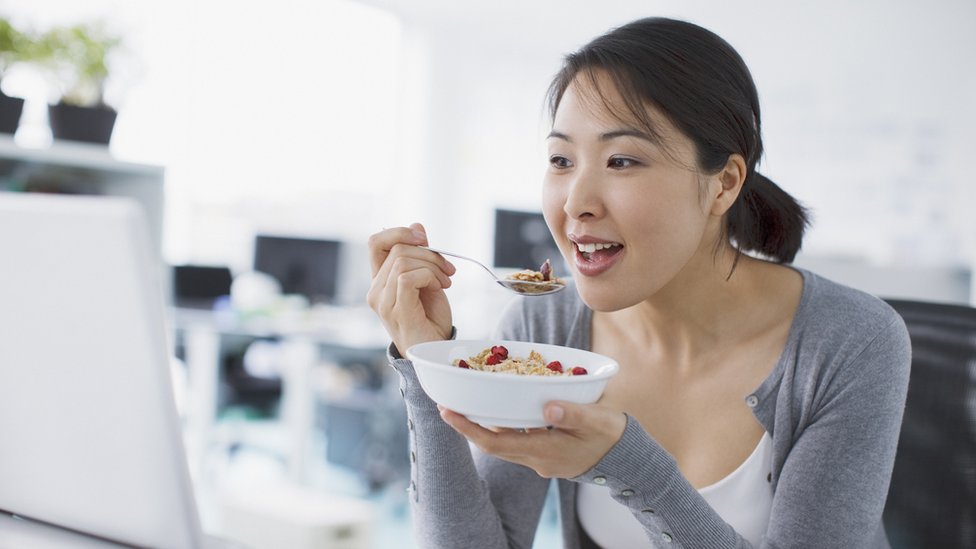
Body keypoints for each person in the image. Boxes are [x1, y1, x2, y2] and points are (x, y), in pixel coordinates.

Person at [367, 16, 911, 549]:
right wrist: (428, 363)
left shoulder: (851, 342)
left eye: (622, 160)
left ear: (723, 184)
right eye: (561, 159)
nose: (576, 202)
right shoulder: (548, 327)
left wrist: (631, 469)